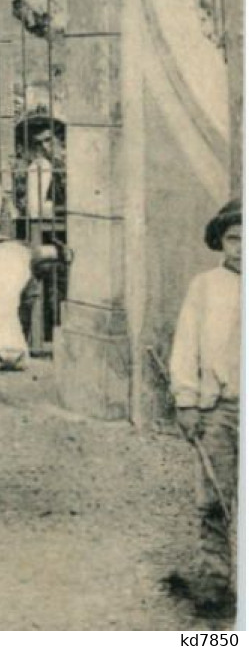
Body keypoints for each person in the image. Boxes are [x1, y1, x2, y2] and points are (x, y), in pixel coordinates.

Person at [168, 198, 242, 616]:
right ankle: (216, 582)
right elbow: (186, 347)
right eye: (234, 239)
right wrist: (187, 402)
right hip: (221, 410)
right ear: (221, 242)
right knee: (215, 497)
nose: (243, 248)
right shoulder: (205, 286)